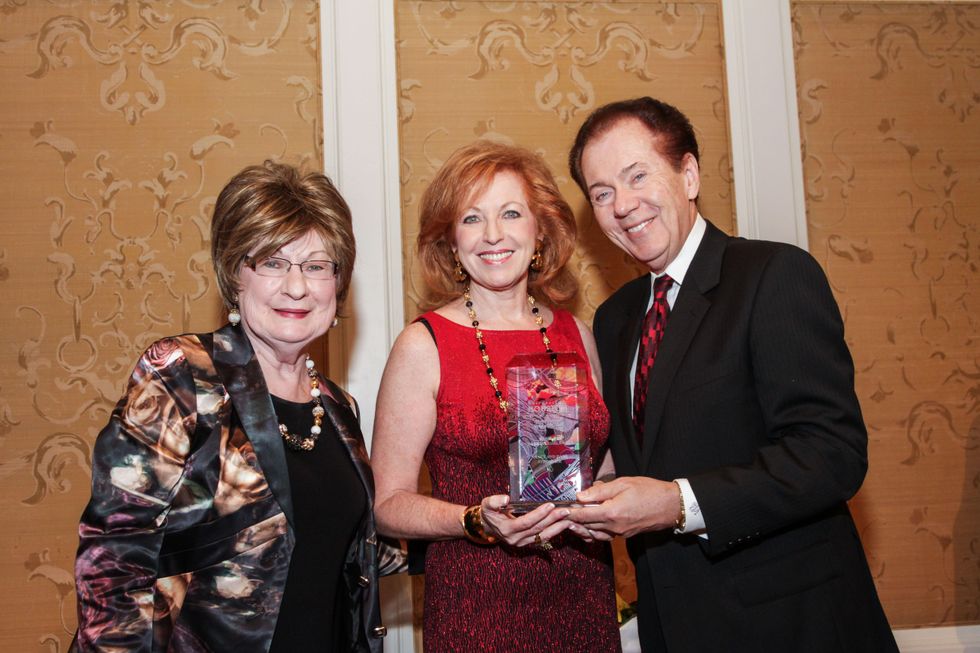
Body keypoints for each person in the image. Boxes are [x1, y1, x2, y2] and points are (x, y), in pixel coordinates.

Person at [564, 96, 899, 652]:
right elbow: (650, 450)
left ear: (688, 174)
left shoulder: (772, 275)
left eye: (637, 175)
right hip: (674, 625)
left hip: (791, 625)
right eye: (601, 193)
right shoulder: (615, 319)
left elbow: (832, 454)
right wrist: (578, 493)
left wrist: (677, 502)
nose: (622, 205)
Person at [72, 161, 403, 652]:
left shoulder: (337, 409)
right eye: (272, 262)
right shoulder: (183, 377)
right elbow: (113, 565)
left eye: (316, 266)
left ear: (338, 283)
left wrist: (475, 520)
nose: (297, 287)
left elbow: (349, 554)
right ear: (235, 274)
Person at [371, 141, 621, 652]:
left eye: (511, 213)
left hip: (584, 599)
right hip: (476, 607)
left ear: (540, 230)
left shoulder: (578, 334)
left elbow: (605, 465)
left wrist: (605, 509)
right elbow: (387, 504)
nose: (492, 235)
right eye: (471, 218)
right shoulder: (425, 344)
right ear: (451, 241)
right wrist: (472, 520)